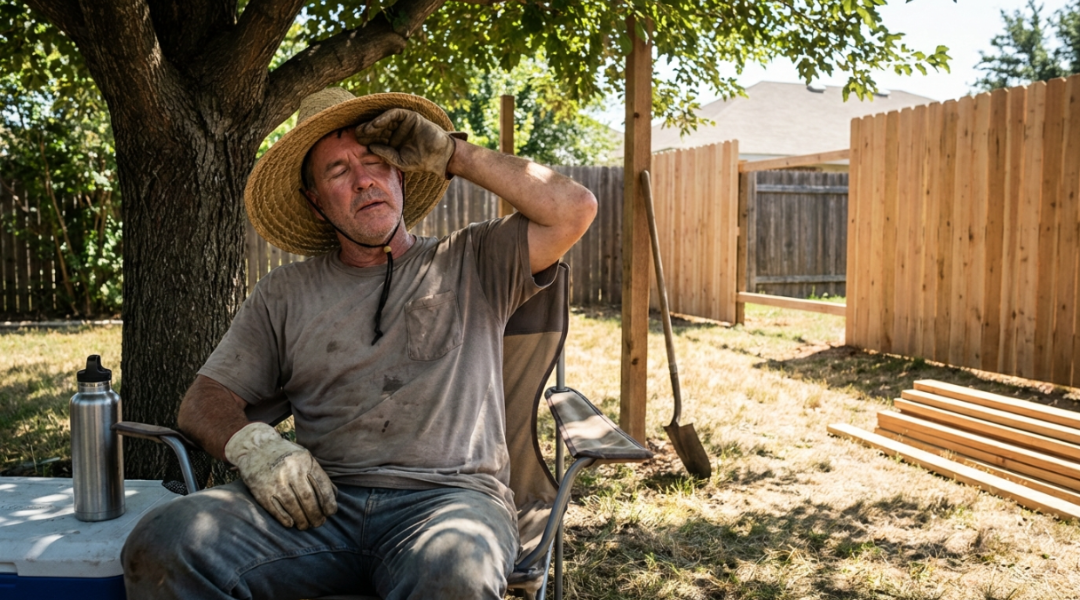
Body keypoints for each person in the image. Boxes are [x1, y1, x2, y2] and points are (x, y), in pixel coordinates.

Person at [121, 88, 597, 600]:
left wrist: (453, 155)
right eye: (338, 172)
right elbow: (203, 401)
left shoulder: (474, 258)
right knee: (163, 543)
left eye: (374, 162)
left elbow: (573, 209)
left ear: (400, 174)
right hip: (319, 505)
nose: (364, 179)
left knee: (451, 574)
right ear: (316, 201)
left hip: (451, 503)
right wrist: (259, 450)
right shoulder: (285, 292)